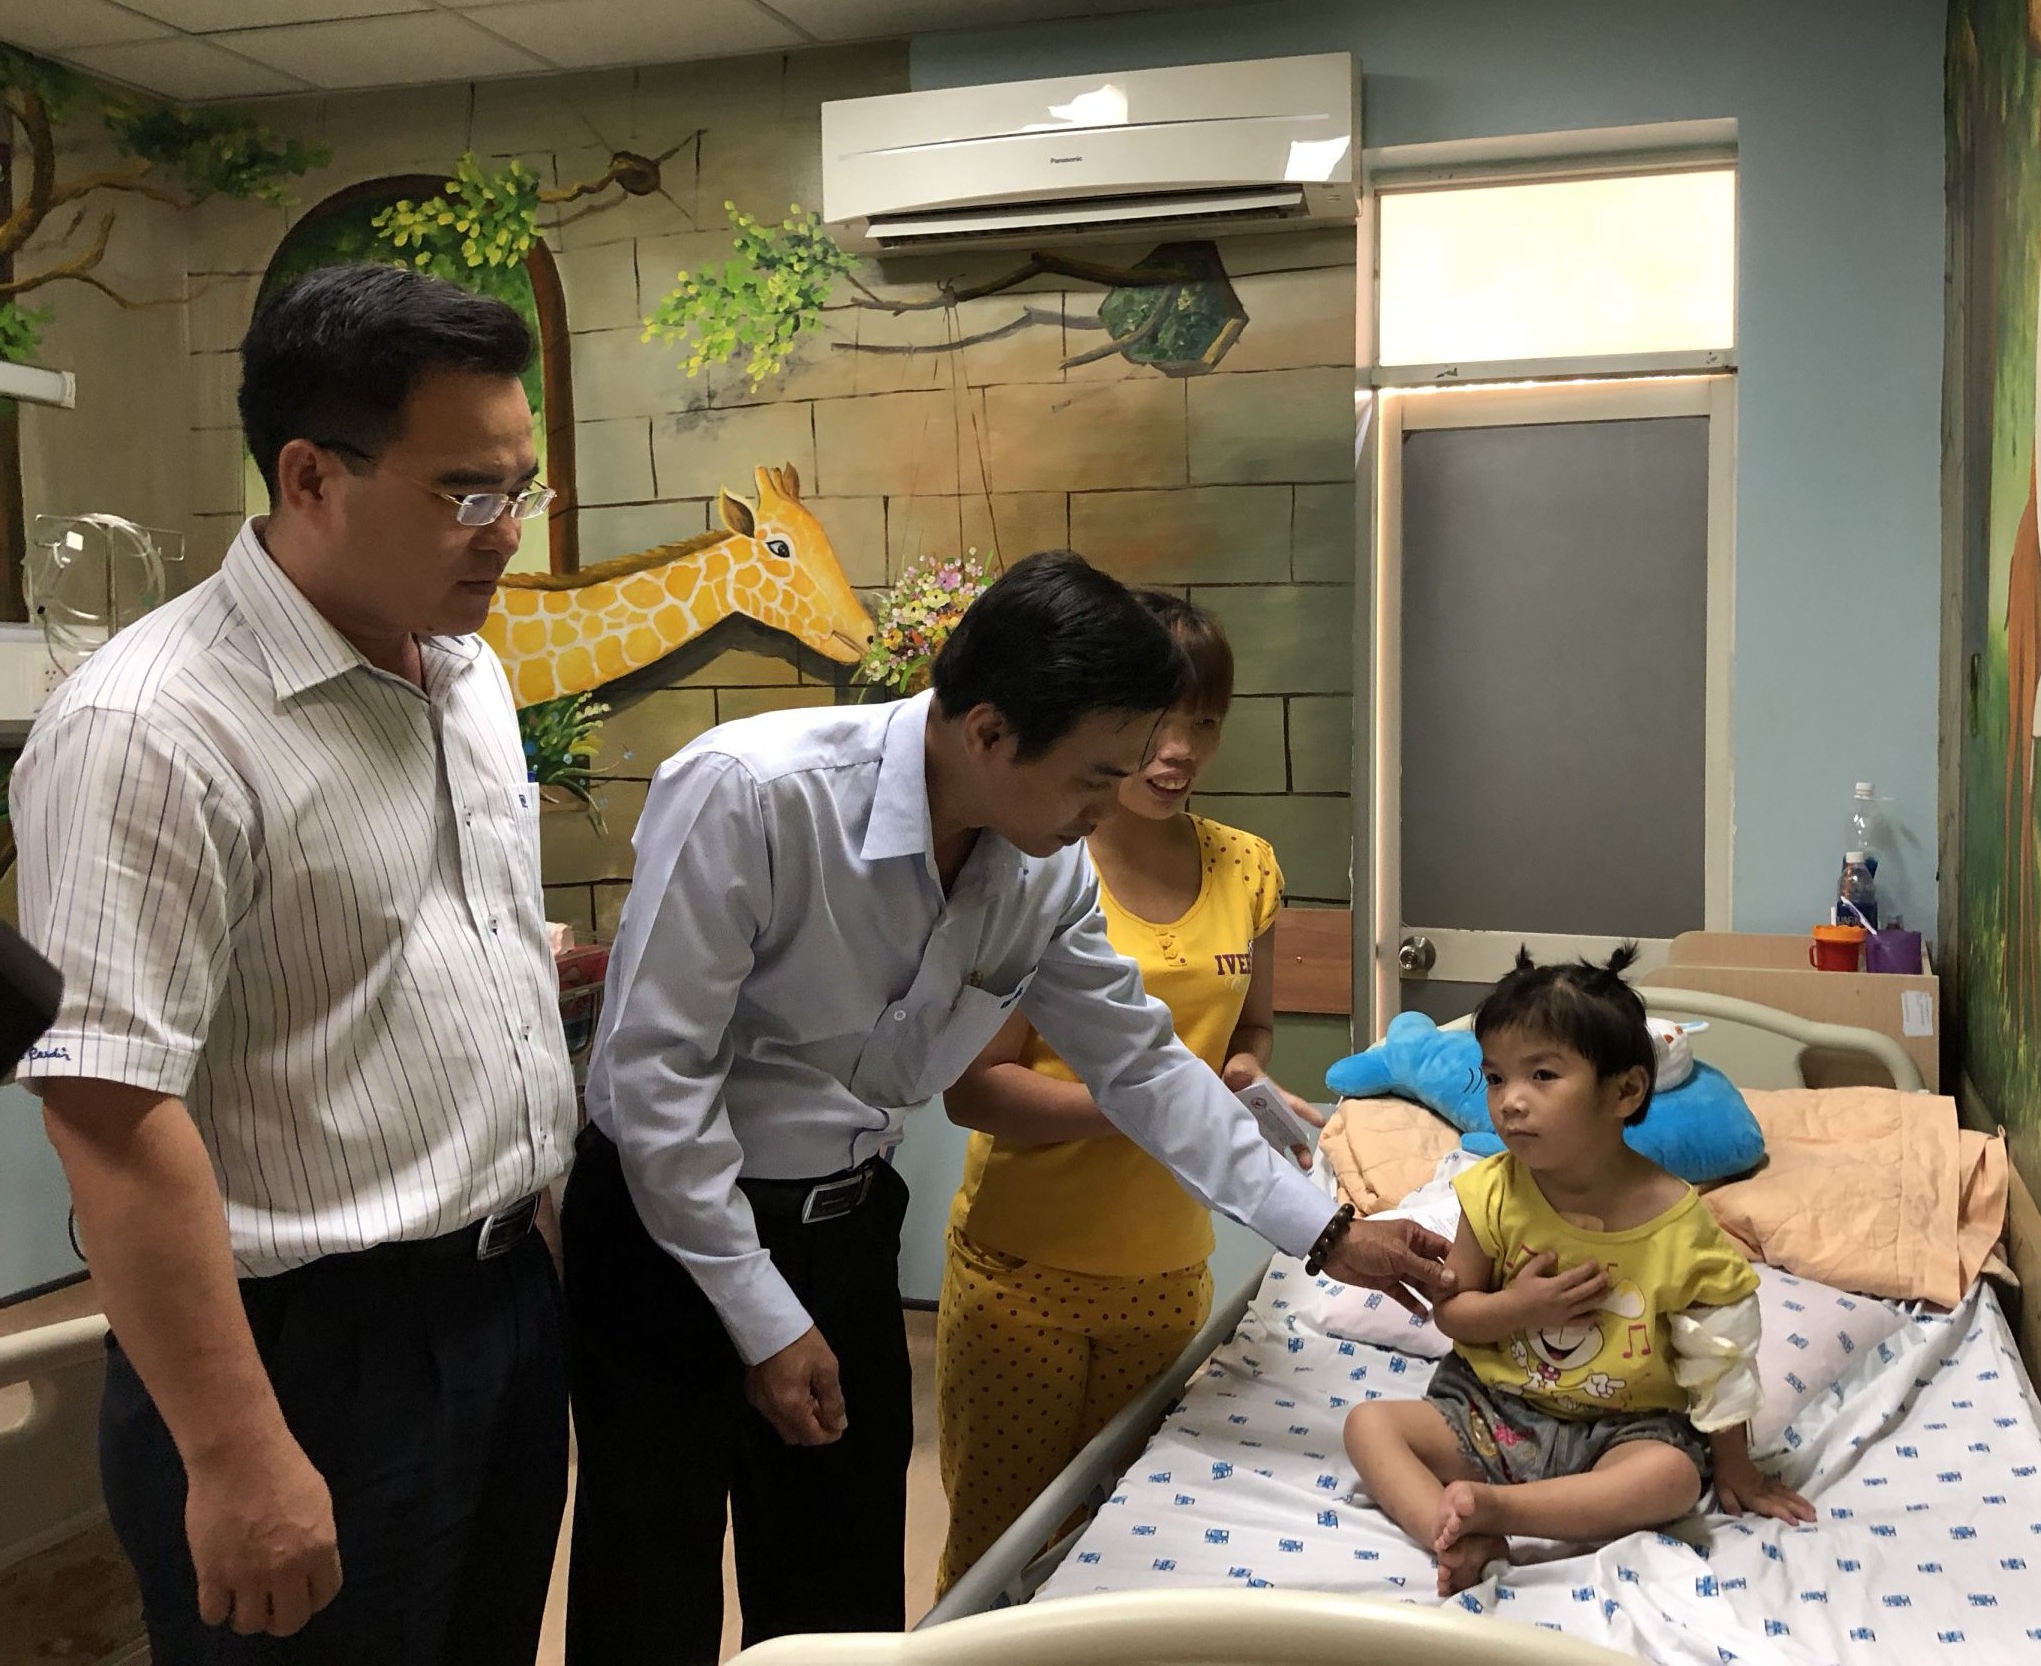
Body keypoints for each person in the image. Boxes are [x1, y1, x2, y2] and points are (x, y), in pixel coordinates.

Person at [562, 551, 1449, 1660]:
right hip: (666, 1233)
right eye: (1093, 778)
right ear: (987, 730)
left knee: (839, 1581)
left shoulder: (1043, 868)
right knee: (649, 1581)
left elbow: (1142, 1064)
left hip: (843, 1224)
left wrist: (1327, 1232)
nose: (1105, 809)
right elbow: (656, 1080)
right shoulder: (754, 793)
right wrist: (763, 1314)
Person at [15, 264, 575, 1663]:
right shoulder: (150, 728)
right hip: (305, 1351)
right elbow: (106, 1109)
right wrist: (237, 1452)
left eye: (521, 487)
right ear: (311, 474)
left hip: (501, 1300)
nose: (507, 533)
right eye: (467, 493)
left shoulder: (464, 671)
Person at [932, 591, 1324, 1593]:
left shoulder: (1245, 866)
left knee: (1124, 1550)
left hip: (1169, 1268)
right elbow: (975, 1089)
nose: (1178, 750)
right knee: (997, 1552)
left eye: (1205, 721)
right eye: (1157, 723)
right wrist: (1143, 1103)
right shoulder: (1043, 859)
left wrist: (1241, 1080)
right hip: (1026, 1273)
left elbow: (1248, 1034)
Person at [1343, 947, 1813, 1597]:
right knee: (1368, 1426)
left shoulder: (1680, 1228)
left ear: (1624, 1091)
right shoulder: (1491, 1193)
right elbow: (1453, 1311)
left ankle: (1502, 1510)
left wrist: (1738, 1469)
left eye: (1541, 1075)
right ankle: (1452, 1532)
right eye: (1495, 1078)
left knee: (1672, 1479)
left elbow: (1719, 1363)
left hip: (1622, 1427)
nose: (1510, 1102)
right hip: (1490, 1410)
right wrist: (1519, 1309)